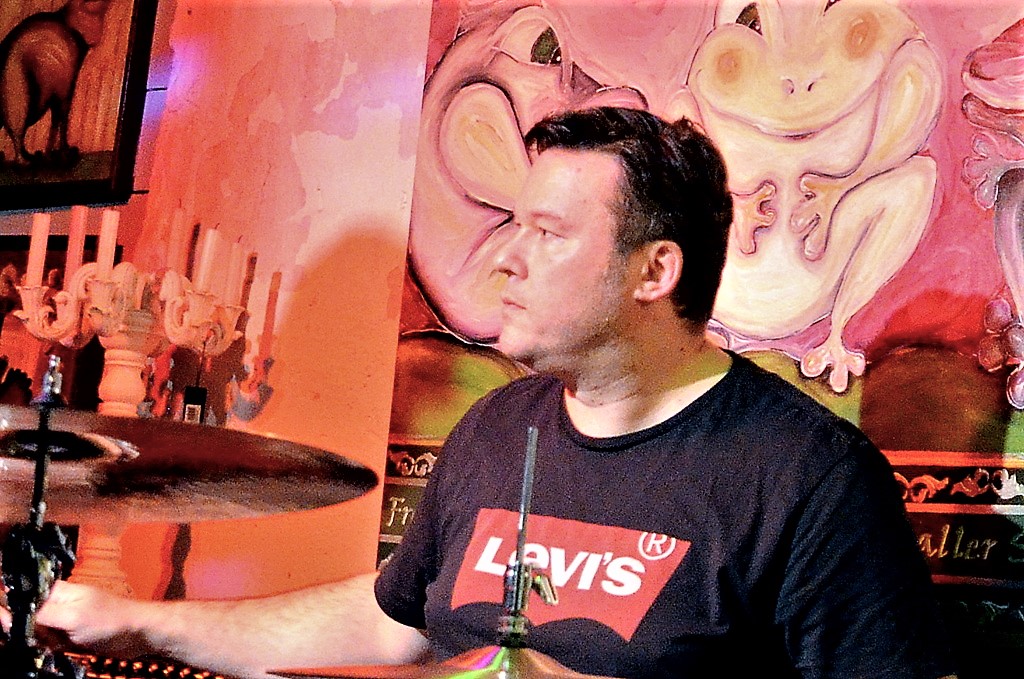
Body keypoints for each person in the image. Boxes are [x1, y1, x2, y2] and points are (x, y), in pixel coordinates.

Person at [21, 107, 955, 678]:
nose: (505, 257)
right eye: (512, 224)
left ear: (654, 270)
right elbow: (392, 623)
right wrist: (145, 623)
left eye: (547, 232)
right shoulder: (499, 426)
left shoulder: (811, 479)